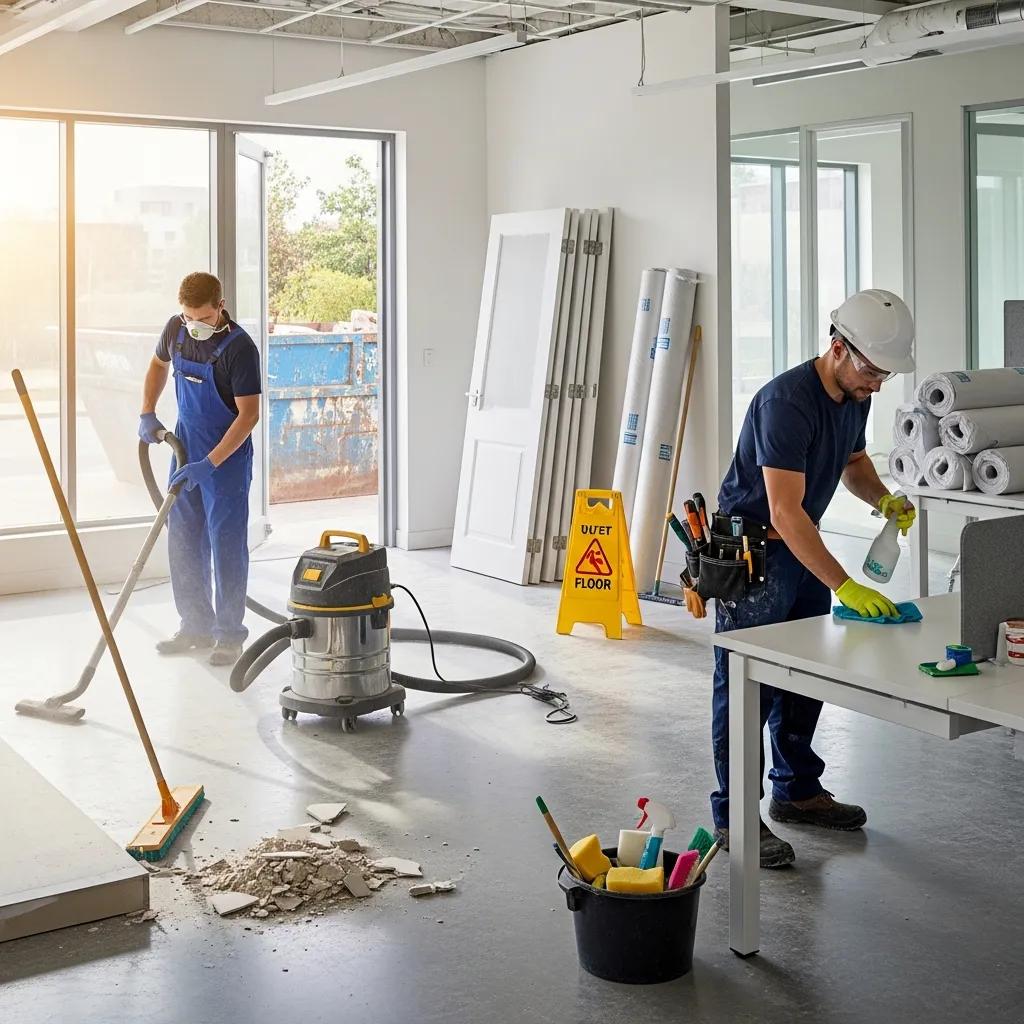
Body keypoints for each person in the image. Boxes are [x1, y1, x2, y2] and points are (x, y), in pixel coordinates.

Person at [711, 289, 918, 867]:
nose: (877, 385)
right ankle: (733, 819)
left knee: (803, 675)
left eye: (884, 375)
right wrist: (844, 585)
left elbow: (854, 461)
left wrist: (882, 499)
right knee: (746, 685)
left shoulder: (854, 395)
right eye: (872, 372)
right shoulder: (786, 403)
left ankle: (797, 791)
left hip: (798, 546)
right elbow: (784, 511)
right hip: (754, 556)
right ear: (838, 348)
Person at [138, 272, 262, 667]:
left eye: (204, 318)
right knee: (184, 541)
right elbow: (157, 365)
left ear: (220, 306)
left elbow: (248, 415)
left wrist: (210, 464)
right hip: (185, 449)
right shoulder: (175, 329)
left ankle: (229, 636)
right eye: (189, 317)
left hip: (225, 460)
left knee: (226, 546)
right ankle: (195, 627)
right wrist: (147, 412)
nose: (195, 325)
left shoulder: (240, 349)